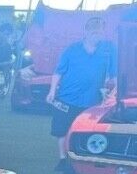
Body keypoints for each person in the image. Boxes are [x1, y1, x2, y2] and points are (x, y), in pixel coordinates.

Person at [48, 17, 116, 161]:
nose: (97, 35)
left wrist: (111, 92)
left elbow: (113, 76)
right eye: (93, 32)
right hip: (66, 98)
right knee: (62, 130)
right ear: (85, 32)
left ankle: (81, 158)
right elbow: (58, 72)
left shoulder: (108, 51)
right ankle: (62, 158)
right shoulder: (71, 50)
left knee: (86, 130)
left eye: (99, 32)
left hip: (92, 101)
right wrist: (52, 91)